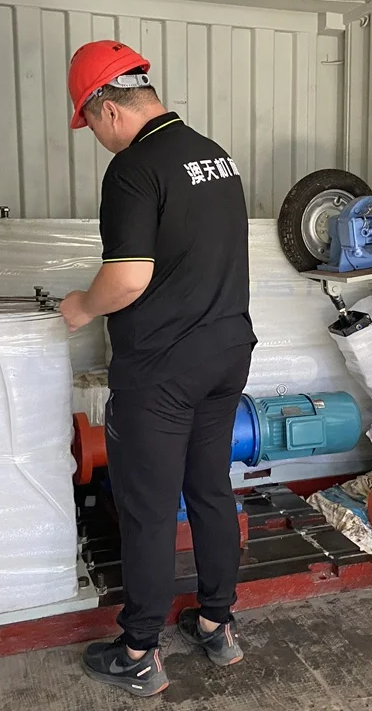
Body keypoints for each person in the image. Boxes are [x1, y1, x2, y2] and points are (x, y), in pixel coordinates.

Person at [60, 40, 256, 697]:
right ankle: (217, 624)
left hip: (164, 369)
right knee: (210, 489)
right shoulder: (214, 155)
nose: (96, 138)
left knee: (145, 507)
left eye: (90, 124)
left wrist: (81, 307)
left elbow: (128, 278)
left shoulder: (134, 169)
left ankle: (140, 651)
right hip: (226, 354)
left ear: (107, 108)